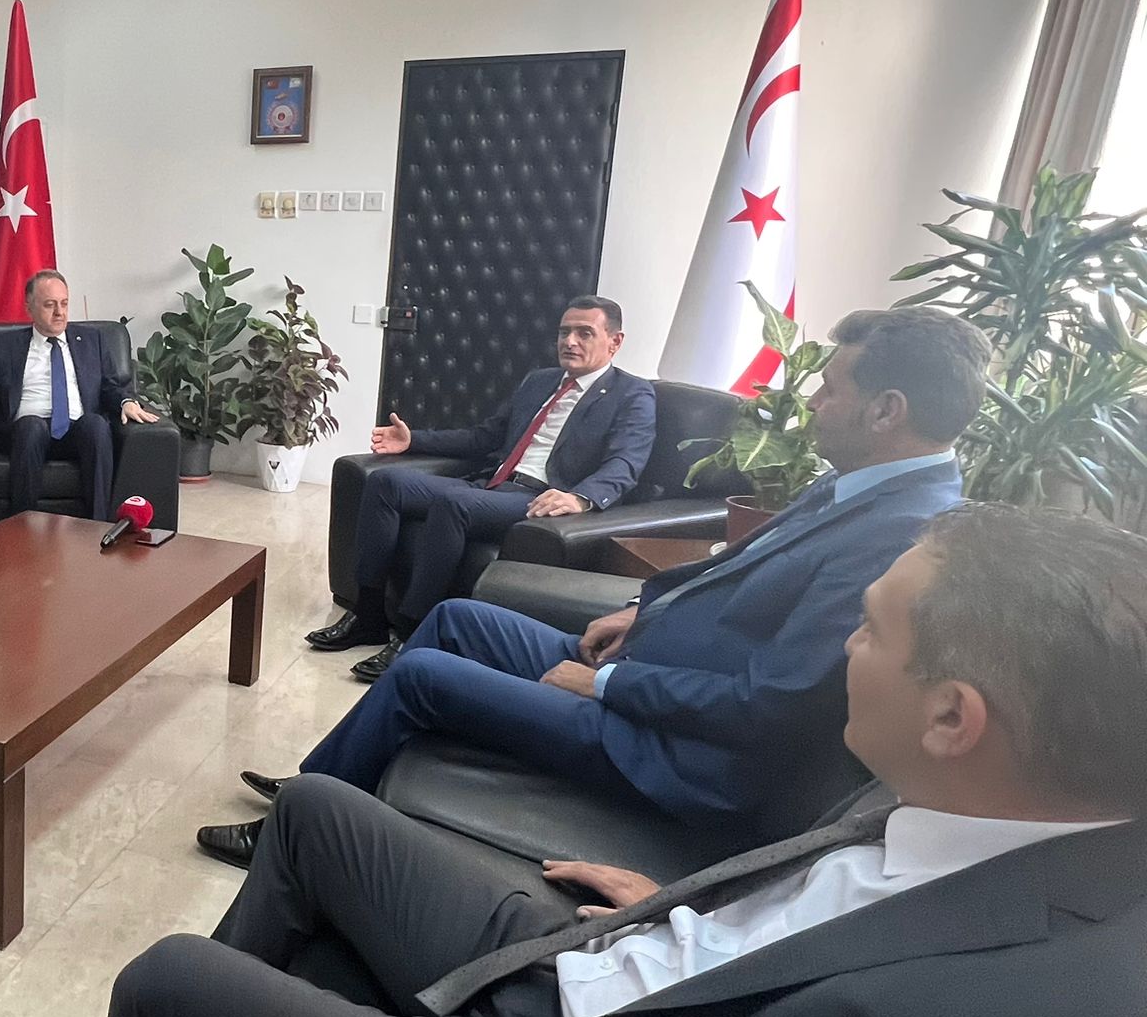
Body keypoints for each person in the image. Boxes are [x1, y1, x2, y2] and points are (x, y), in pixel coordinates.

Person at [113, 503, 1147, 1017]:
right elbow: (823, 911)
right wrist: (682, 904)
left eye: (869, 628)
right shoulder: (975, 800)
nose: (842, 648)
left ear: (952, 717)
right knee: (311, 813)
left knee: (168, 980)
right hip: (607, 950)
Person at [200, 306, 988, 868]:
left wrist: (610, 685)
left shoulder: (895, 534)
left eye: (831, 390)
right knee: (458, 618)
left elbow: (770, 704)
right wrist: (641, 609)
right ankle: (326, 784)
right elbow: (731, 574)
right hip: (646, 667)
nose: (813, 403)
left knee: (421, 675)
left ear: (887, 411)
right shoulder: (861, 487)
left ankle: (292, 835)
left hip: (679, 752)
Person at [308, 297, 655, 683]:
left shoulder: (632, 394)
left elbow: (625, 464)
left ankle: (410, 634)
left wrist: (580, 497)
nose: (569, 341)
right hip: (492, 485)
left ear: (615, 341)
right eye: (564, 332)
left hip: (536, 500)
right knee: (385, 482)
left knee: (453, 502)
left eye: (584, 333)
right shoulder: (539, 381)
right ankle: (368, 615)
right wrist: (414, 440)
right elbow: (485, 436)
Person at [0, 269, 159, 521]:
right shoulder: (7, 347)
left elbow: (111, 385)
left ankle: (97, 527)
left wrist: (126, 402)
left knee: (96, 425)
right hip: (27, 432)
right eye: (50, 305)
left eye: (64, 303)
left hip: (78, 428)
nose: (60, 312)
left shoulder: (91, 341)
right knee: (31, 426)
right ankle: (21, 528)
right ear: (29, 307)